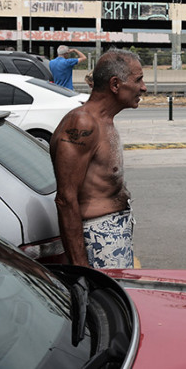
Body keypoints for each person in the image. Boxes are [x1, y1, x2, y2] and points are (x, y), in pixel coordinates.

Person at [50, 49, 146, 268]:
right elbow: (65, 199)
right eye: (138, 79)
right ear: (115, 85)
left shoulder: (104, 121)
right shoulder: (82, 124)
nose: (143, 87)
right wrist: (81, 267)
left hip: (113, 236)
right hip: (97, 241)